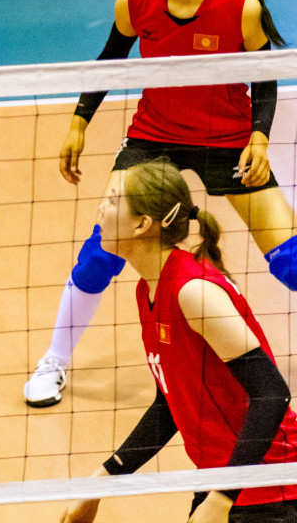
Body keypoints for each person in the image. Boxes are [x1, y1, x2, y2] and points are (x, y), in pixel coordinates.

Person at [24, 0, 294, 409]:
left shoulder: (241, 6)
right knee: (102, 253)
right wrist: (79, 123)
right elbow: (110, 57)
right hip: (154, 139)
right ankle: (53, 362)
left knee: (290, 262)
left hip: (226, 140)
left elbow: (265, 74)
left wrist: (259, 137)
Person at [60, 161, 297, 523]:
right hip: (225, 478)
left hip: (269, 485)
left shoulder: (193, 292)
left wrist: (221, 499)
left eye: (111, 200)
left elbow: (272, 393)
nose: (100, 208)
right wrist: (103, 480)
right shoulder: (149, 290)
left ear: (142, 224)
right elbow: (171, 404)